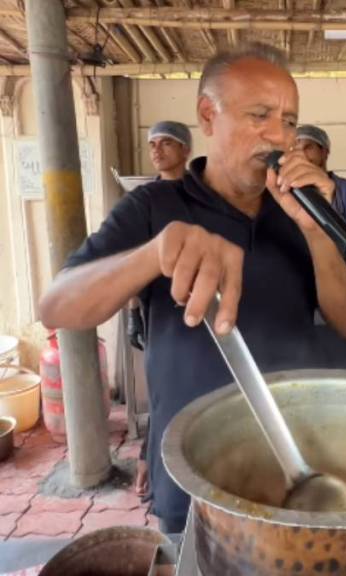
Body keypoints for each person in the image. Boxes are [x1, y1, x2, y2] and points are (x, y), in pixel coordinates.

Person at [38, 43, 346, 533]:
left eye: (290, 121)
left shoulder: (301, 211)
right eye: (260, 115)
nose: (279, 136)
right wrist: (153, 254)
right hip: (193, 473)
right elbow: (57, 306)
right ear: (208, 115)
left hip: (294, 469)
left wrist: (316, 230)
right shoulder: (154, 207)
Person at [131, 121, 194, 498]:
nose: (156, 150)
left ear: (186, 150)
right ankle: (153, 467)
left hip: (198, 306)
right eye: (152, 144)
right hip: (159, 310)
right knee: (162, 392)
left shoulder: (201, 196)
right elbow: (130, 261)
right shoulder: (144, 200)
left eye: (166, 143)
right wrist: (132, 313)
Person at [294, 124, 346, 235]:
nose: (302, 155)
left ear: (324, 152)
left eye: (308, 147)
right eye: (296, 149)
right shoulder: (288, 192)